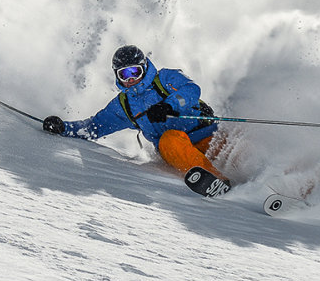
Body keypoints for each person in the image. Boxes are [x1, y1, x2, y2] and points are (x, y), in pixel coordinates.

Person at [42, 45, 228, 181]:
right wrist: (64, 128)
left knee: (240, 145)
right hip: (175, 150)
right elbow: (93, 127)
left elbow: (191, 91)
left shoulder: (165, 78)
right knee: (170, 139)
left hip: (207, 136)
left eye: (134, 71)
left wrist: (170, 105)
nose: (130, 79)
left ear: (144, 67)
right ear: (117, 76)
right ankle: (215, 181)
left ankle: (257, 186)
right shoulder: (124, 106)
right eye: (124, 74)